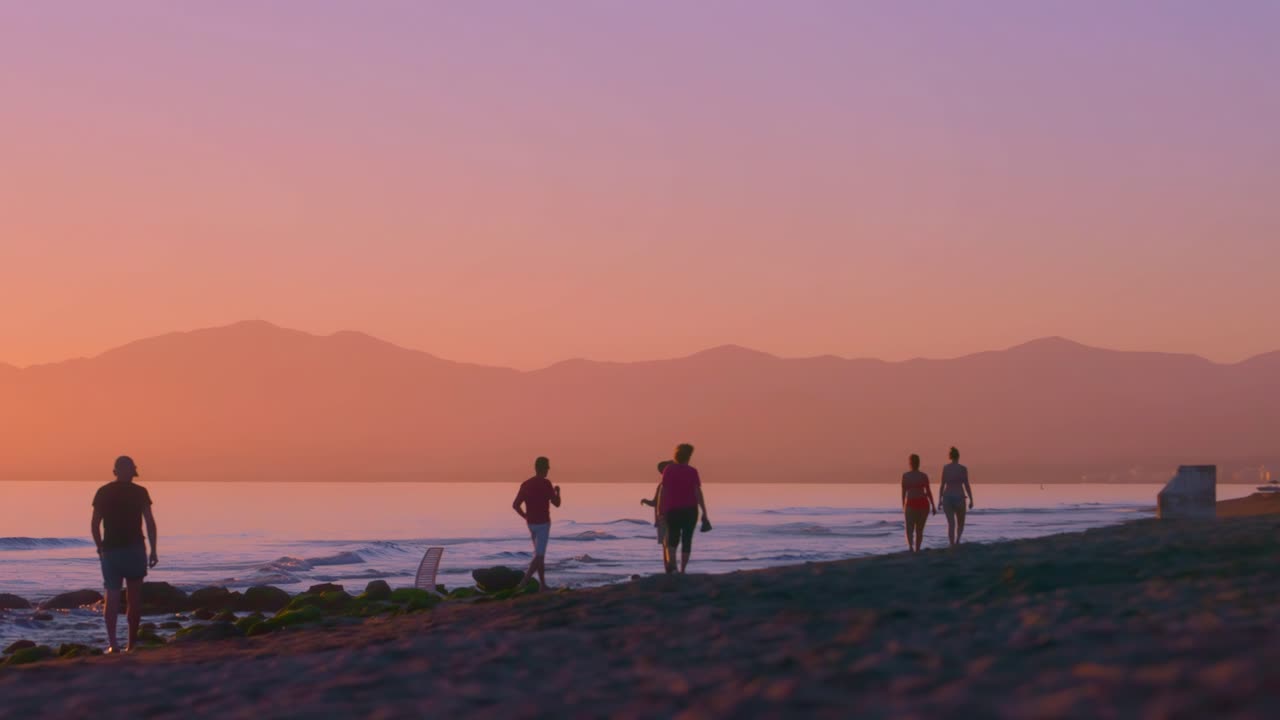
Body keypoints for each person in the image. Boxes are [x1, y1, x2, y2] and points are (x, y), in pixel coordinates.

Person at [90, 456, 158, 653]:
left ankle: (113, 644)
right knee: (133, 598)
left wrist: (99, 547)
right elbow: (150, 522)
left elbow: (95, 524)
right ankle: (131, 644)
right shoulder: (140, 492)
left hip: (111, 550)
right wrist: (153, 549)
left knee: (111, 596)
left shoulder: (103, 491)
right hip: (135, 549)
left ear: (115, 471)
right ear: (133, 471)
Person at [658, 444, 710, 574]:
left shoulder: (669, 470)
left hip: (672, 510)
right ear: (689, 456)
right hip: (690, 510)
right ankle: (683, 570)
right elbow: (697, 492)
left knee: (672, 538)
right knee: (687, 540)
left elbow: (663, 491)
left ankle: (673, 568)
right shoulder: (692, 471)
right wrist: (704, 512)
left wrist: (660, 510)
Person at [512, 456, 561, 590]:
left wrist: (525, 516)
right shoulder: (546, 483)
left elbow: (515, 505)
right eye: (547, 467)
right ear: (544, 468)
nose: (548, 469)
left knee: (540, 555)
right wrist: (558, 492)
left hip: (531, 524)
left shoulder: (526, 484)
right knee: (539, 556)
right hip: (543, 524)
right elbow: (557, 504)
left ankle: (542, 585)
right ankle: (523, 582)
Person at [938, 446, 975, 546]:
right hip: (959, 497)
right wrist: (971, 499)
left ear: (950, 457)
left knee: (951, 524)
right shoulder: (963, 469)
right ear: (958, 456)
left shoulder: (946, 468)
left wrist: (939, 500)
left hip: (948, 497)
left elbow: (942, 485)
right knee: (960, 522)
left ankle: (952, 544)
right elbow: (966, 485)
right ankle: (957, 540)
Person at [900, 453, 934, 553]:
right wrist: (933, 505)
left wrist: (903, 505)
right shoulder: (923, 476)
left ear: (910, 463)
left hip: (911, 503)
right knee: (919, 529)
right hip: (923, 504)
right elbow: (928, 491)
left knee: (909, 528)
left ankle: (911, 547)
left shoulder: (906, 476)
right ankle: (917, 549)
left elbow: (903, 493)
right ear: (919, 463)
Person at [640, 460, 672, 546]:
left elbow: (655, 502)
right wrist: (646, 501)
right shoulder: (663, 485)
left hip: (665, 517)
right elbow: (656, 502)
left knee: (666, 543)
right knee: (668, 543)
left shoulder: (663, 485)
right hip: (669, 517)